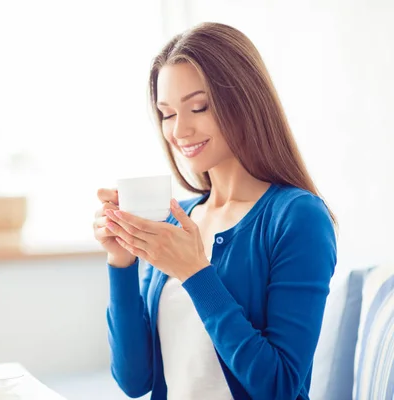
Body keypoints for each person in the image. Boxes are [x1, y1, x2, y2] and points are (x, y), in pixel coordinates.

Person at [93, 22, 337, 400]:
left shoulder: (297, 218)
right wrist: (120, 262)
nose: (179, 130)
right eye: (167, 113)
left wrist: (196, 273)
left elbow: (279, 386)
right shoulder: (176, 219)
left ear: (245, 100)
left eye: (198, 107)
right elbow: (134, 379)